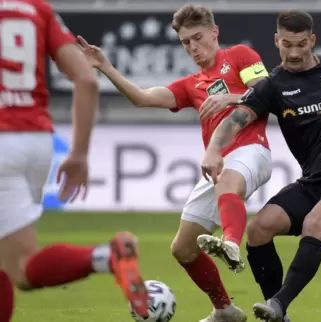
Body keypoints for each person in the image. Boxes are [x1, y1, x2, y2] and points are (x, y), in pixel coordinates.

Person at [78, 4, 271, 321]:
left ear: (214, 32)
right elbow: (142, 98)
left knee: (226, 181)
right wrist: (106, 67)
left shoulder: (239, 56)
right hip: (218, 164)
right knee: (183, 248)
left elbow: (267, 90)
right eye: (186, 42)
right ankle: (225, 310)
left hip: (252, 149)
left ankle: (232, 243)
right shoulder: (190, 84)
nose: (193, 47)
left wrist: (230, 97)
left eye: (198, 38)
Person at [201, 10, 321, 322]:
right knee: (258, 230)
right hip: (312, 182)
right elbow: (236, 119)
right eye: (287, 44)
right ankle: (278, 314)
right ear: (276, 41)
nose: (295, 52)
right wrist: (214, 150)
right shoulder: (273, 86)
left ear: (312, 40)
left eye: (301, 44)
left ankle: (279, 304)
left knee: (315, 224)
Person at [0, 0, 150, 320]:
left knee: (22, 267)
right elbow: (86, 79)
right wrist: (79, 154)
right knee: (8, 262)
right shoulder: (37, 9)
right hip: (35, 144)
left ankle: (106, 257)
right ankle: (105, 258)